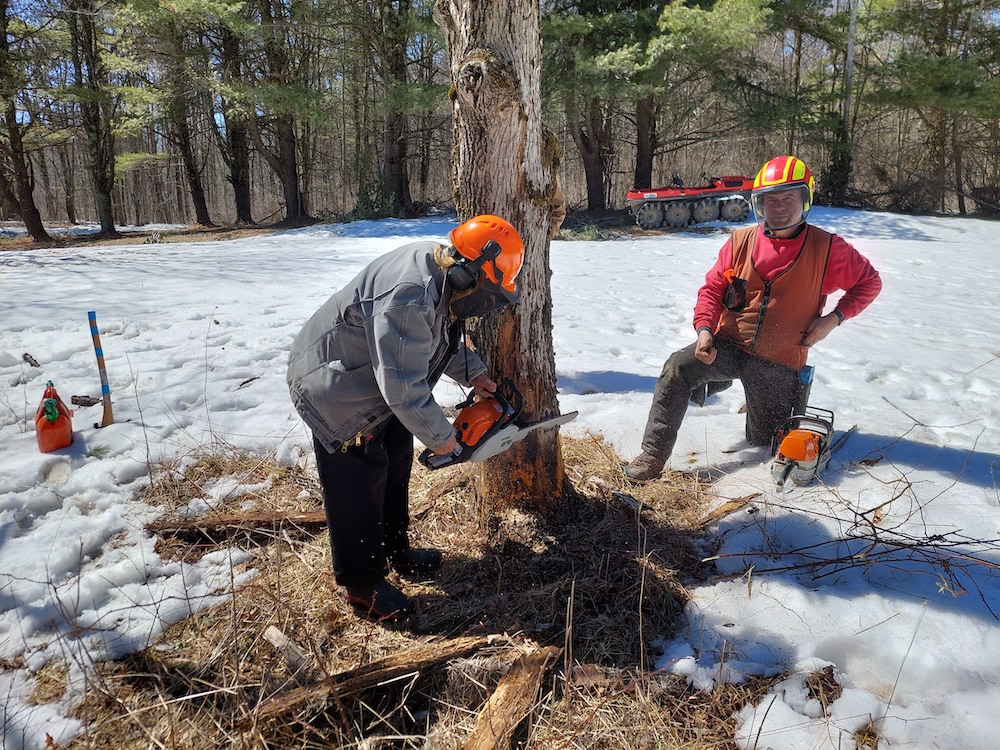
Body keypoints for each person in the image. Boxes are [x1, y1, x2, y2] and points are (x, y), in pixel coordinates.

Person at [287, 215, 525, 620]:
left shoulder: (441, 273)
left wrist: (476, 373)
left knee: (396, 458)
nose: (485, 301)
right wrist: (443, 438)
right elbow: (400, 385)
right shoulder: (410, 293)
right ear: (469, 273)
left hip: (368, 376)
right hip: (334, 388)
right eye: (486, 289)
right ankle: (362, 585)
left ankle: (396, 549)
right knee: (358, 479)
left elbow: (437, 336)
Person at [625, 155, 882, 482]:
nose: (778, 207)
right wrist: (705, 330)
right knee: (677, 367)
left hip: (778, 360)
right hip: (728, 346)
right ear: (758, 204)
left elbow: (869, 282)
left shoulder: (829, 249)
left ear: (805, 199)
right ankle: (651, 455)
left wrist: (834, 318)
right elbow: (713, 289)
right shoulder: (740, 241)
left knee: (762, 442)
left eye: (788, 198)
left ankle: (757, 400)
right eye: (769, 200)